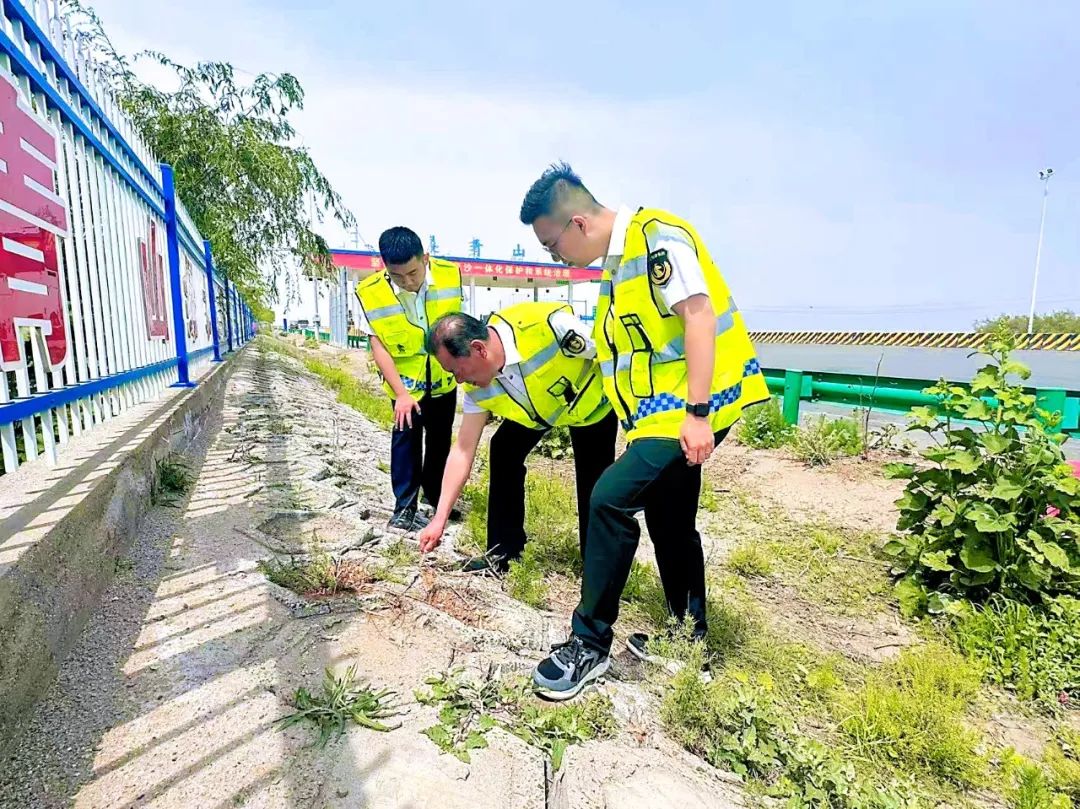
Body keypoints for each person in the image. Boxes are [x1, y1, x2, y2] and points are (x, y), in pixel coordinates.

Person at [519, 163, 770, 700]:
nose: (554, 257)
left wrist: (699, 414)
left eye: (551, 244)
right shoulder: (616, 271)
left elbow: (698, 316)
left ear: (578, 223)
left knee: (608, 497)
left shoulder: (656, 237)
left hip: (695, 409)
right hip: (659, 419)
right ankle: (689, 639)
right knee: (669, 519)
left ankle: (588, 644)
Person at [417, 302, 618, 571]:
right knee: (503, 450)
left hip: (590, 408)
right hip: (537, 412)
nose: (459, 381)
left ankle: (598, 569)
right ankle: (502, 555)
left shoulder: (545, 324)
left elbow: (614, 358)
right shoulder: (479, 388)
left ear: (478, 348)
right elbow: (462, 451)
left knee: (594, 486)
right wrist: (439, 519)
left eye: (456, 370)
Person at [355, 226, 461, 530]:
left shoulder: (450, 276)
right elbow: (379, 346)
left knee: (440, 441)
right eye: (398, 276)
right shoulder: (371, 293)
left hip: (443, 378)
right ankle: (404, 506)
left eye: (413, 273)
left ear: (425, 258)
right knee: (406, 441)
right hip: (406, 385)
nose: (408, 282)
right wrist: (401, 394)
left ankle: (437, 497)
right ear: (385, 267)